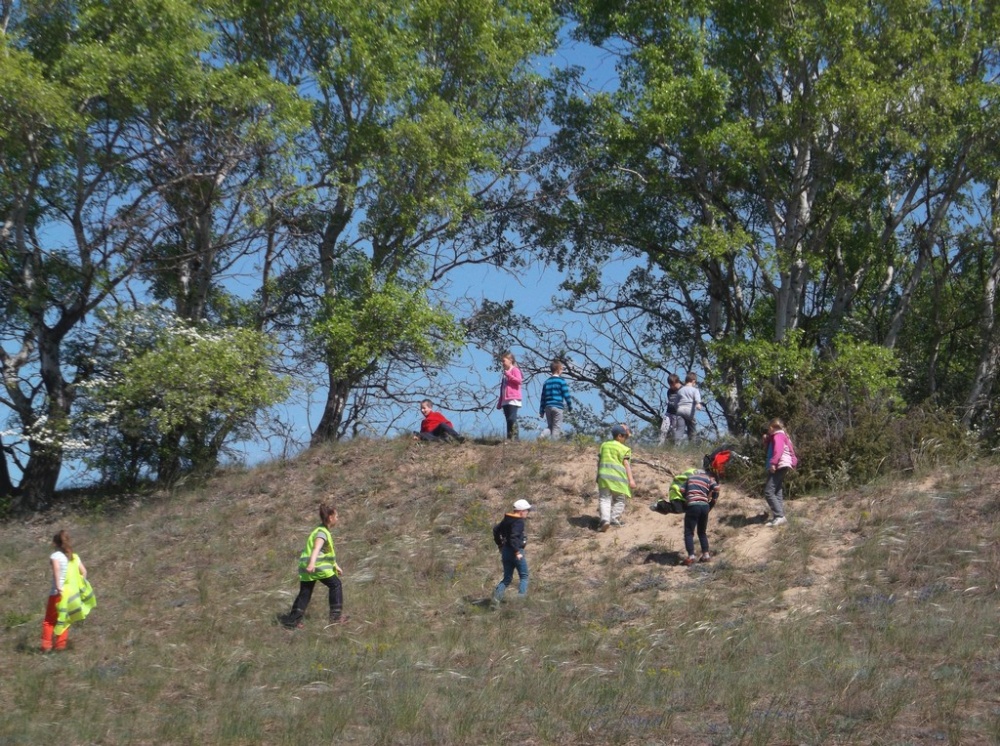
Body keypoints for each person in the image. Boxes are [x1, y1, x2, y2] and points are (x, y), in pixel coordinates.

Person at [281, 502, 345, 629]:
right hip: (316, 567)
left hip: (306, 567)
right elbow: (316, 549)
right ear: (330, 517)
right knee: (336, 584)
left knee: (305, 592)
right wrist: (311, 564)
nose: (337, 519)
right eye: (336, 516)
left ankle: (292, 620)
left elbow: (325, 552)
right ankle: (335, 617)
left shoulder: (319, 530)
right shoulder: (322, 532)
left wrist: (335, 565)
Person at [42, 530, 96, 652]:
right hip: (71, 594)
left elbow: (57, 573)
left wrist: (59, 587)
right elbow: (84, 572)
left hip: (57, 593)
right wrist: (79, 585)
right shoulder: (73, 556)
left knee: (49, 621)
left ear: (54, 543)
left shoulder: (55, 556)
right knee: (64, 620)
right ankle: (60, 646)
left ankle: (46, 646)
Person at [596, 424, 637, 531]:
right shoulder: (625, 449)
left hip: (604, 477)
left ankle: (605, 519)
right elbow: (626, 465)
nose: (626, 439)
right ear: (619, 436)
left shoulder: (604, 445)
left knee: (604, 499)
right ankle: (614, 519)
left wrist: (597, 475)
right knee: (619, 499)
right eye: (625, 436)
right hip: (618, 479)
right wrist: (631, 480)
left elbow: (599, 462)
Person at [491, 498, 532, 605]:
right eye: (527, 510)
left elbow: (495, 530)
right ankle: (520, 603)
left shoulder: (507, 519)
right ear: (521, 511)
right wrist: (517, 552)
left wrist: (500, 544)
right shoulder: (519, 522)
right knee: (524, 576)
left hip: (505, 551)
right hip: (516, 552)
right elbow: (513, 537)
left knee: (507, 579)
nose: (528, 512)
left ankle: (496, 600)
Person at [678, 466, 721, 566]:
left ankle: (691, 556)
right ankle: (706, 555)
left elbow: (681, 490)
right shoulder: (708, 478)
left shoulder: (690, 478)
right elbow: (717, 488)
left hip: (693, 505)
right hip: (705, 506)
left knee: (689, 532)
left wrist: (687, 498)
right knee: (702, 532)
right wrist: (709, 495)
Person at [762, 418, 797, 527]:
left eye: (768, 429)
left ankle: (779, 516)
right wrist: (766, 440)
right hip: (783, 464)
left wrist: (773, 463)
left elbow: (778, 450)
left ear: (771, 427)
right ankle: (779, 516)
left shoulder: (778, 436)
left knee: (768, 491)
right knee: (777, 490)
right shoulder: (781, 435)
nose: (768, 431)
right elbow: (772, 447)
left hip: (779, 464)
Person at [538, 360, 573, 439]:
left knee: (550, 426)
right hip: (558, 407)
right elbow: (566, 395)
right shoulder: (561, 381)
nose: (562, 371)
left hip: (548, 407)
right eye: (562, 369)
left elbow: (543, 397)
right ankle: (554, 443)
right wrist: (569, 405)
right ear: (558, 370)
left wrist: (541, 411)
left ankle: (542, 435)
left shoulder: (546, 382)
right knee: (556, 427)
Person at [496, 352, 523, 441]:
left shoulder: (515, 370)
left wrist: (509, 375)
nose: (502, 363)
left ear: (510, 360)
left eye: (504, 361)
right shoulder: (505, 375)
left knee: (512, 418)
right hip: (505, 400)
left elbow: (519, 381)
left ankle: (516, 438)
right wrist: (500, 402)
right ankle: (509, 438)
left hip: (513, 399)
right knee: (508, 420)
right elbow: (502, 388)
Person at [672, 372, 703, 442]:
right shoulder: (695, 390)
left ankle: (675, 443)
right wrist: (698, 404)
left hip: (680, 411)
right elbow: (697, 399)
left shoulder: (680, 390)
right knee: (692, 429)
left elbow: (675, 403)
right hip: (689, 412)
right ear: (693, 381)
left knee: (680, 429)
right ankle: (692, 444)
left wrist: (678, 410)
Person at [658, 373, 682, 445]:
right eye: (670, 385)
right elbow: (670, 401)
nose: (671, 387)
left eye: (673, 385)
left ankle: (677, 445)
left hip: (677, 415)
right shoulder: (669, 391)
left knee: (675, 430)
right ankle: (661, 443)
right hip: (668, 413)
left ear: (677, 382)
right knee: (664, 428)